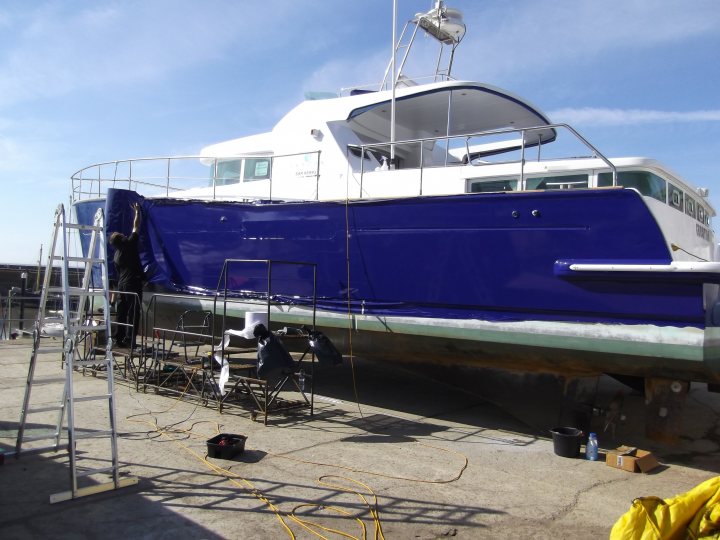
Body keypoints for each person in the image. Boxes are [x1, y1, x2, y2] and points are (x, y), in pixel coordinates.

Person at [109, 202, 144, 349]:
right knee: (133, 312)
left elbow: (117, 274)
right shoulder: (129, 245)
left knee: (122, 311)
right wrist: (137, 212)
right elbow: (136, 227)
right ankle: (130, 340)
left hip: (122, 284)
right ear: (121, 239)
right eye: (122, 235)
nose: (124, 234)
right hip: (132, 283)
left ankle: (118, 338)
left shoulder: (117, 255)